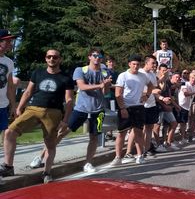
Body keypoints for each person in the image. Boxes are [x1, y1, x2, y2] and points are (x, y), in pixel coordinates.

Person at [29, 48, 112, 173]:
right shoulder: (81, 70)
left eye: (99, 56)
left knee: (94, 137)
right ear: (89, 57)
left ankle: (88, 163)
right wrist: (100, 85)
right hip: (81, 109)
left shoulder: (105, 72)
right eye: (94, 55)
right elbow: (82, 87)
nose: (97, 58)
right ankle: (40, 156)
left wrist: (105, 86)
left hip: (98, 110)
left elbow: (105, 92)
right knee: (62, 132)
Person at [0, 50, 74, 183]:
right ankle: (8, 166)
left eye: (55, 57)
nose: (52, 59)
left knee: (50, 144)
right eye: (49, 57)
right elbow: (28, 91)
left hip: (53, 112)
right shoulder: (37, 73)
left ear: (60, 59)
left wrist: (65, 120)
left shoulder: (66, 78)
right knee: (10, 132)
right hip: (33, 109)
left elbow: (69, 100)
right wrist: (19, 108)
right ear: (46, 59)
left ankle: (47, 173)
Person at [110, 54, 154, 167]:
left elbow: (150, 85)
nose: (136, 66)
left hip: (139, 107)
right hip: (126, 107)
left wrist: (147, 95)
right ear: (129, 64)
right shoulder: (123, 76)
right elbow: (118, 93)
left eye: (138, 64)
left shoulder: (143, 76)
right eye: (133, 64)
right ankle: (118, 157)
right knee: (121, 133)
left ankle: (140, 156)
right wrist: (122, 108)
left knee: (138, 132)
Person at [0, 29, 17, 140]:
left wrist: (13, 105)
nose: (10, 43)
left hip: (2, 105)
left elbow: (10, 86)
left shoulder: (9, 62)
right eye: (7, 41)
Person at [178, 71, 195, 143]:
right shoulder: (184, 83)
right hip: (180, 105)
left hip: (187, 107)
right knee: (174, 123)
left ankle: (182, 138)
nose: (193, 79)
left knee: (184, 123)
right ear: (189, 78)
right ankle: (169, 141)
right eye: (192, 78)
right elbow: (186, 93)